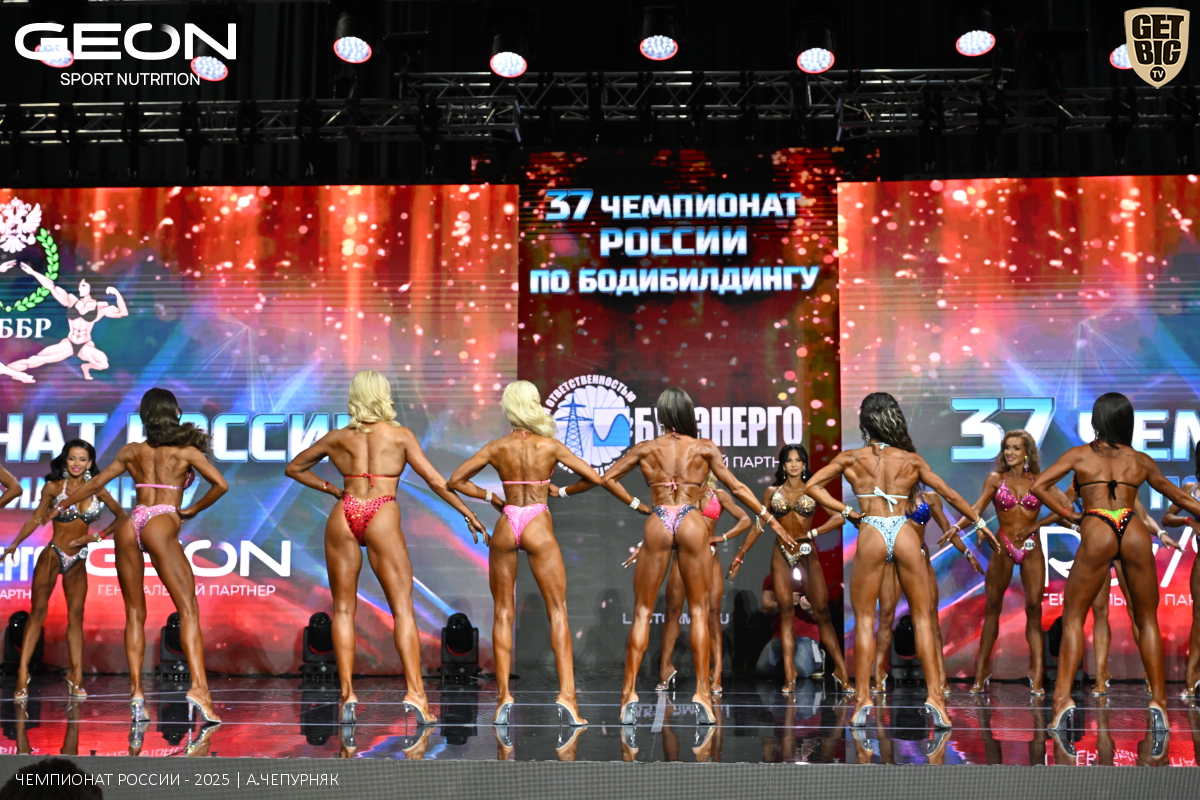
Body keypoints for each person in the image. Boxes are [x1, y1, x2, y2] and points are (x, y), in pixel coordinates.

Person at [573, 387, 790, 725]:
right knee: (699, 611)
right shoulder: (703, 447)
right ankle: (702, 694)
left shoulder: (646, 448)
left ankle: (629, 695)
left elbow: (607, 478)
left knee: (642, 611)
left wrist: (638, 505)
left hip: (659, 518)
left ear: (661, 415)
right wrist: (771, 520)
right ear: (688, 413)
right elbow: (737, 487)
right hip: (691, 518)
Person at [285, 369, 486, 727]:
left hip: (344, 511)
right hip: (381, 512)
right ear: (383, 395)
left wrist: (333, 490)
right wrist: (467, 513)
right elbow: (435, 481)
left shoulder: (337, 437)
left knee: (343, 610)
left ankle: (347, 694)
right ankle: (416, 694)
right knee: (403, 610)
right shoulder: (400, 436)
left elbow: (294, 468)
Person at [448, 380, 639, 726]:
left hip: (507, 522)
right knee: (558, 611)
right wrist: (562, 492)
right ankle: (567, 697)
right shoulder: (549, 446)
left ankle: (504, 697)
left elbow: (455, 481)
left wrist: (492, 498)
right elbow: (594, 478)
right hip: (537, 519)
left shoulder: (497, 447)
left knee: (502, 613)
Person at [804, 392, 993, 728]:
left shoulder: (852, 458)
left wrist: (848, 512)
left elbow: (813, 487)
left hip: (872, 528)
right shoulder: (910, 460)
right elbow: (949, 494)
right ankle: (935, 698)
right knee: (922, 619)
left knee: (865, 620)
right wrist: (979, 523)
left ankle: (863, 699)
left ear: (865, 422)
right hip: (904, 531)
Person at [54, 388, 228, 725]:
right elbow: (221, 485)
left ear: (145, 417)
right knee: (188, 609)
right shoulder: (186, 452)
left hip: (131, 523)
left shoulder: (132, 451)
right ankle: (199, 689)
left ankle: (136, 695)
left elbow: (95, 484)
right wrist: (191, 510)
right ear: (174, 412)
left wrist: (61, 505)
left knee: (134, 613)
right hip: (161, 520)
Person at [1030, 392, 1200, 731]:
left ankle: (1063, 701)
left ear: (1097, 420)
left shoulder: (1079, 455)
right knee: (1147, 619)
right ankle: (1159, 702)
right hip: (1133, 529)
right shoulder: (1140, 460)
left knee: (1074, 617)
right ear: (1127, 422)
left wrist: (1070, 515)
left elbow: (1039, 486)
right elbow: (1179, 496)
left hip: (1097, 525)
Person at [2, 440, 125, 700]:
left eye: (82, 459)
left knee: (76, 618)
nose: (77, 464)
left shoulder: (98, 489)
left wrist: (97, 537)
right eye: (72, 458)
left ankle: (75, 675)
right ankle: (23, 674)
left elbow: (122, 516)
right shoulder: (54, 487)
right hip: (53, 555)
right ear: (65, 460)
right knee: (38, 614)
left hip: (79, 559)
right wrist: (14, 544)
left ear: (90, 463)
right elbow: (36, 518)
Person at [727, 444, 851, 694]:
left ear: (804, 464)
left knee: (823, 612)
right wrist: (740, 556)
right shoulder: (772, 492)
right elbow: (758, 525)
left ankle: (841, 670)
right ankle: (789, 674)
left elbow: (839, 516)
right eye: (789, 460)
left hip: (807, 551)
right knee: (785, 612)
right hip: (781, 552)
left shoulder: (814, 489)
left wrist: (813, 533)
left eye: (798, 460)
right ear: (783, 465)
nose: (794, 464)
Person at [623, 472, 751, 695]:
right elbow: (664, 523)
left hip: (709, 558)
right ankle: (665, 668)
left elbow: (746, 519)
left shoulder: (718, 495)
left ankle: (716, 672)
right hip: (681, 557)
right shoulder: (681, 496)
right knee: (672, 611)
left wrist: (723, 537)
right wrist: (644, 546)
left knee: (712, 613)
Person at [946, 431, 1054, 695]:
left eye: (1016, 448)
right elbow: (977, 508)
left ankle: (1037, 674)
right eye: (1007, 447)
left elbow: (1062, 509)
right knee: (992, 608)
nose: (1010, 453)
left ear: (1026, 452)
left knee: (1034, 609)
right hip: (1003, 545)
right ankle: (981, 672)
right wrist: (958, 527)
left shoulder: (1039, 480)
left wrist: (1040, 524)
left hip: (1031, 546)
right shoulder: (996, 479)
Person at [875, 488, 984, 694]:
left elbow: (947, 529)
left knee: (931, 618)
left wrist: (968, 553)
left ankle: (939, 676)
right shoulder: (889, 496)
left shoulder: (930, 498)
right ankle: (879, 673)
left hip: (920, 559)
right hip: (895, 560)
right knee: (887, 615)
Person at [8, 270, 128, 381]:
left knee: (104, 364)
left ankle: (86, 367)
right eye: (80, 285)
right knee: (35, 360)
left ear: (91, 287)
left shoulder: (100, 306)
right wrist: (33, 272)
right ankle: (7, 371)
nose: (80, 288)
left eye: (83, 285)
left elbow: (123, 313)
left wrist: (116, 293)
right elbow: (51, 286)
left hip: (84, 345)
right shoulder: (72, 300)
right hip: (69, 343)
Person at [1159, 447, 1200, 699]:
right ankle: (1192, 680)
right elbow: (1166, 518)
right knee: (1198, 618)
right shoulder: (1190, 489)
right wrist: (1189, 521)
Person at [756, 571, 824, 680]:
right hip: (781, 634)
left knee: (800, 670)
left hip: (806, 634)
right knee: (763, 669)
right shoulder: (772, 578)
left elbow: (824, 616)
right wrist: (785, 601)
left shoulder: (812, 578)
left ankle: (818, 659)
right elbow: (766, 608)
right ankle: (787, 663)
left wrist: (810, 609)